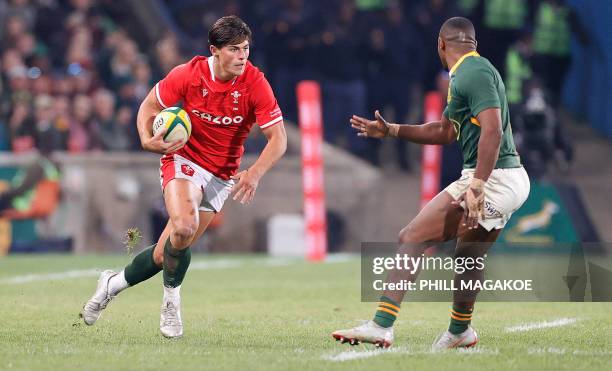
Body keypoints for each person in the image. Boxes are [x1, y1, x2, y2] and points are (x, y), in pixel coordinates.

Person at [79, 16, 287, 338]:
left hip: (222, 175)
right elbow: (148, 106)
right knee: (185, 226)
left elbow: (279, 139)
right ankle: (171, 302)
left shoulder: (255, 83)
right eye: (234, 49)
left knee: (168, 252)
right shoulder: (188, 74)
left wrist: (256, 172)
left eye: (245, 49)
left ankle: (111, 283)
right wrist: (147, 139)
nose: (242, 56)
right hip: (184, 159)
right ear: (214, 51)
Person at [333, 17, 530, 350]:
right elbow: (444, 131)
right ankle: (460, 331)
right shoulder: (468, 75)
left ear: (441, 45)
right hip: (504, 177)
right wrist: (392, 130)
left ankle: (381, 324)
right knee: (468, 257)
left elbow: (493, 130)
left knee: (412, 235)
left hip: (493, 177)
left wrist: (477, 185)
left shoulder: (473, 72)